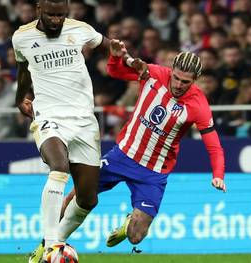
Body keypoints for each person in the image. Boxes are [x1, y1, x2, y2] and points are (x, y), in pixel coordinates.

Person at [59, 40, 226, 249]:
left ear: (195, 80)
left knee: (136, 237)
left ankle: (129, 222)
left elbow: (214, 145)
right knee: (77, 194)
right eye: (176, 77)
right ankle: (48, 244)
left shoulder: (198, 105)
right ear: (171, 69)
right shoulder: (153, 73)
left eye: (185, 82)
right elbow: (115, 72)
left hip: (153, 172)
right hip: (121, 156)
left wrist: (218, 175)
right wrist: (115, 56)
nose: (178, 85)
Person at [11, 0, 110, 262]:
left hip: (84, 121)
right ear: (38, 9)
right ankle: (55, 246)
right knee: (59, 166)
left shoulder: (80, 29)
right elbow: (23, 69)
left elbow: (110, 46)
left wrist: (127, 57)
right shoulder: (22, 37)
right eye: (51, 14)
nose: (56, 20)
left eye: (61, 15)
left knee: (88, 200)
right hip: (49, 115)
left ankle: (49, 245)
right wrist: (21, 97)